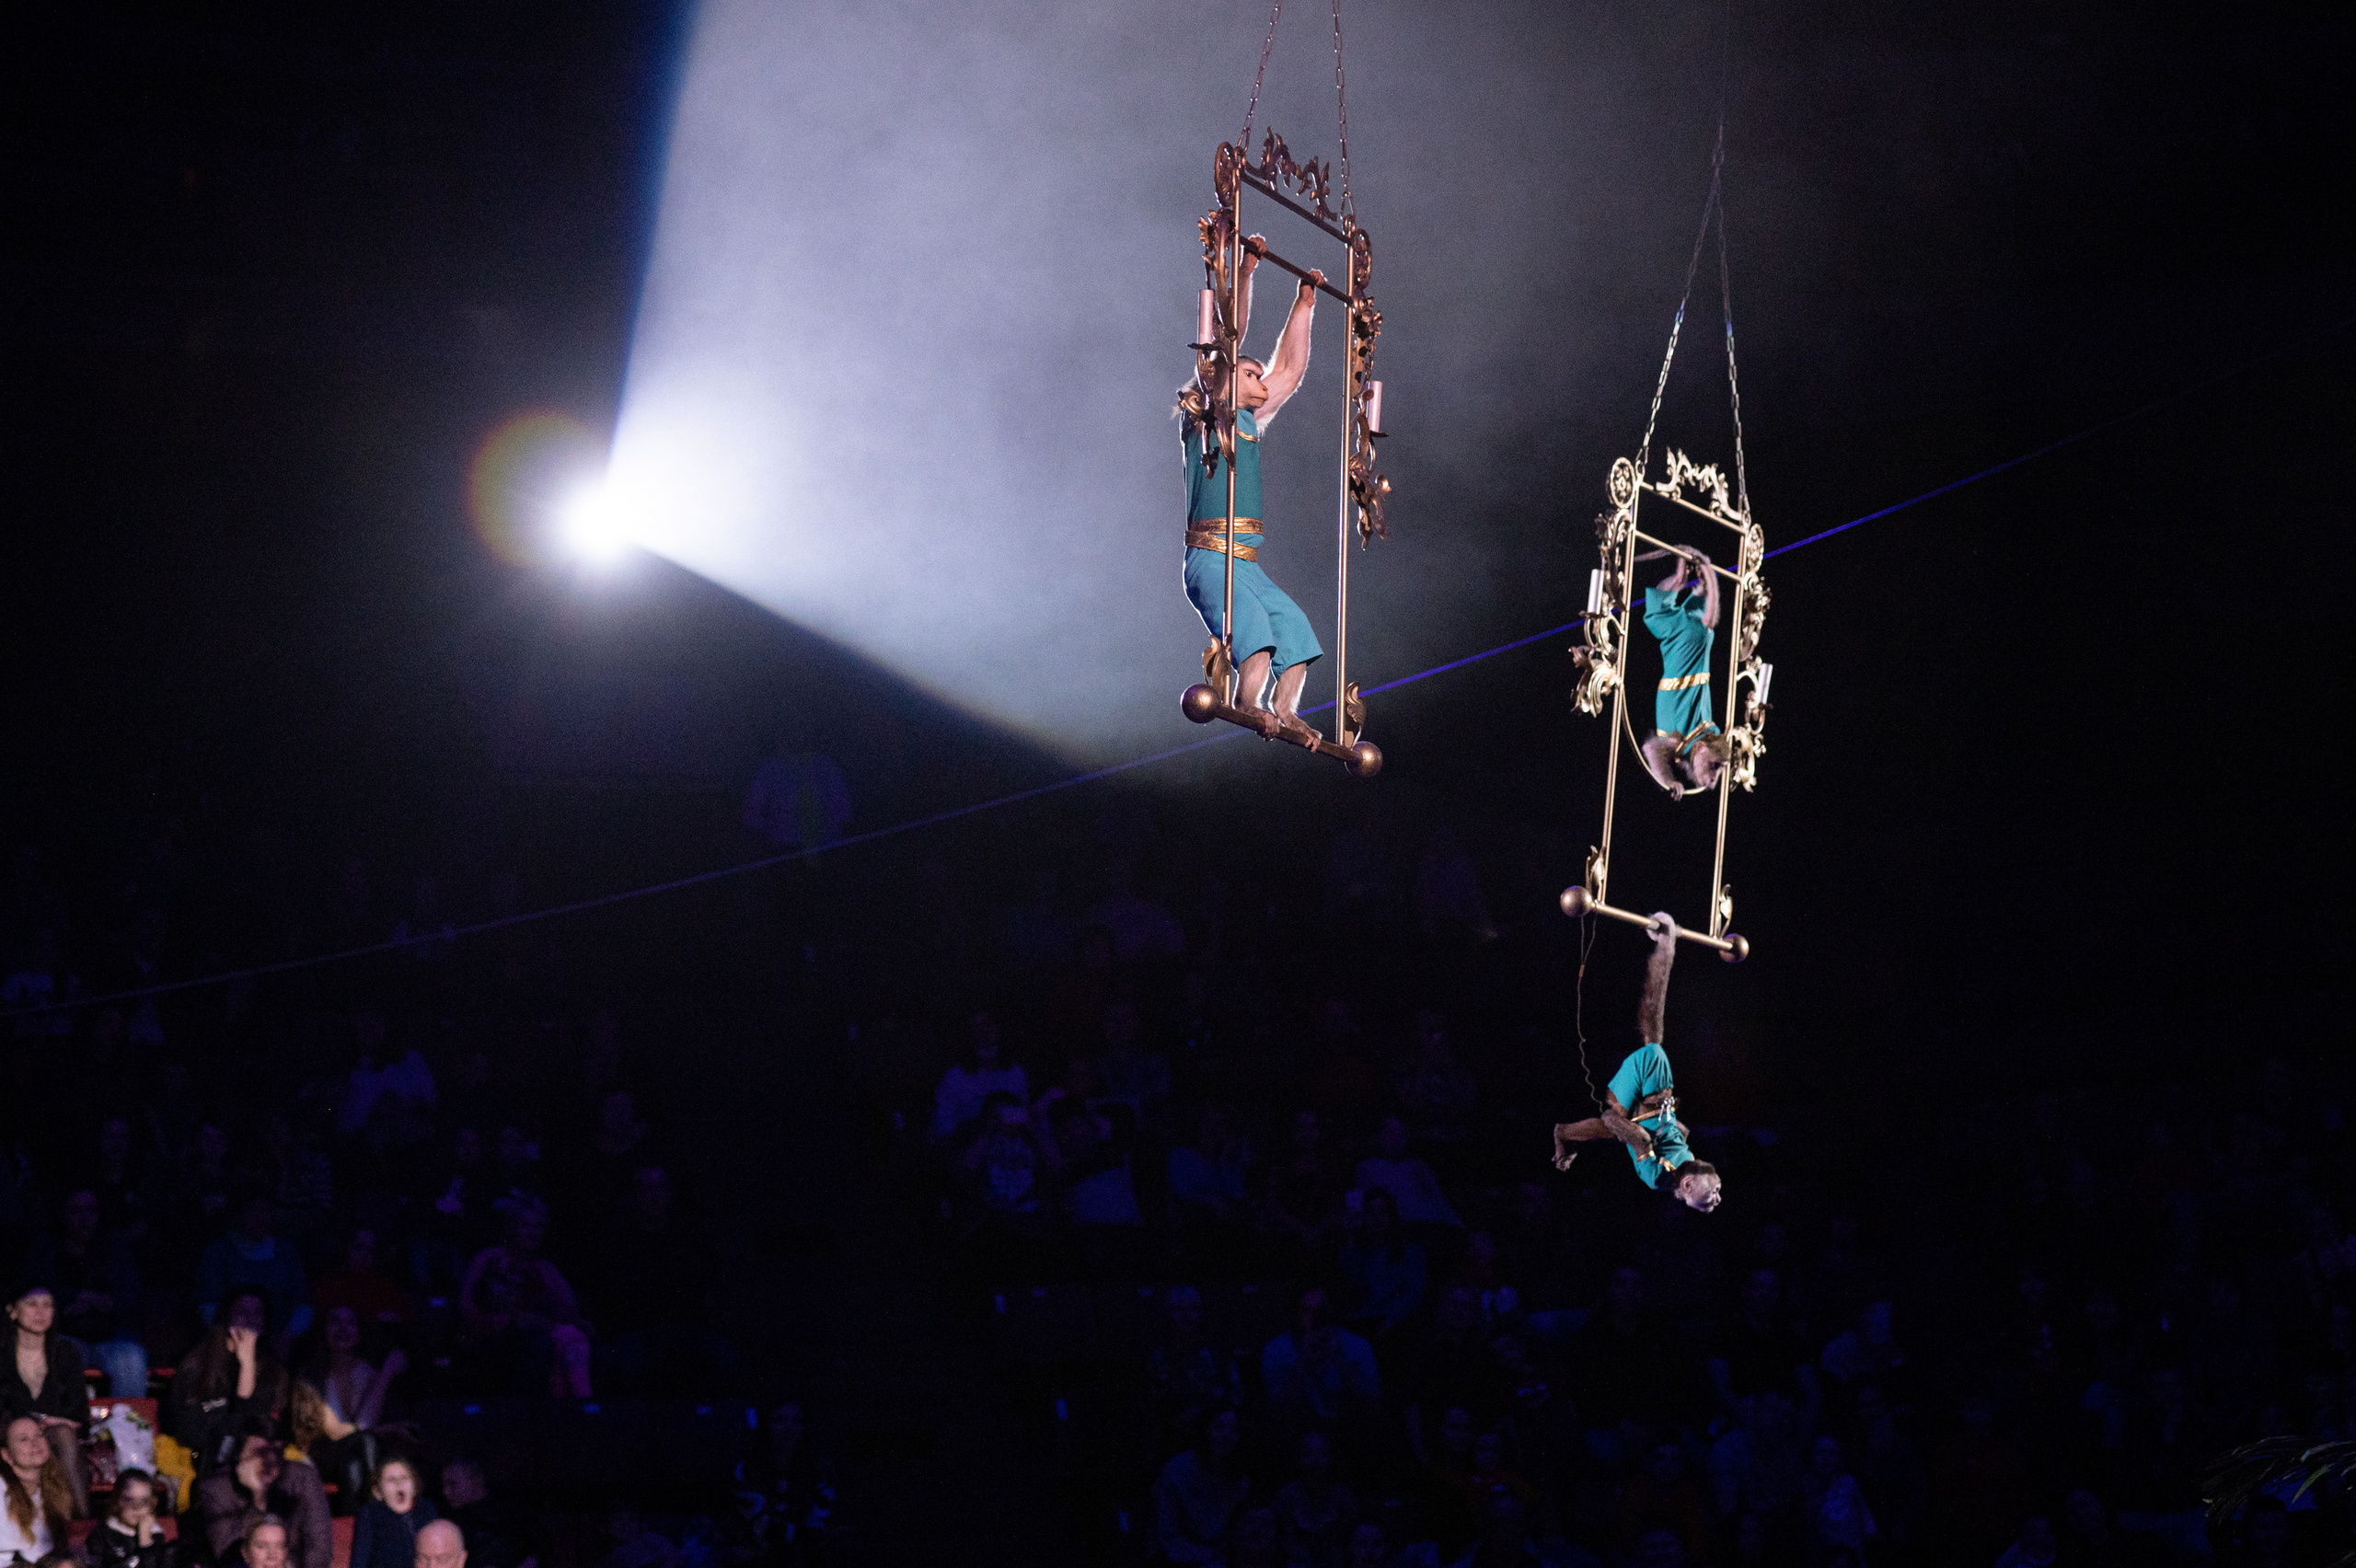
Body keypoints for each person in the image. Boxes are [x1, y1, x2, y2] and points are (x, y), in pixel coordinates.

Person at [1177, 236, 1326, 740]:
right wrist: (1246, 270)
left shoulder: (1248, 418)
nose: (1261, 376)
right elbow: (1226, 335)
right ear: (1222, 377)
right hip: (1210, 558)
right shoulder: (1209, 417)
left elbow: (1290, 370)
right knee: (1257, 638)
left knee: (1296, 633)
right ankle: (1250, 702)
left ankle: (1285, 709)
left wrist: (1304, 303)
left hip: (1246, 562)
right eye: (1248, 371)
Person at [1551, 915, 1722, 1213]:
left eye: (1710, 1199)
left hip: (1631, 1111)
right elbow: (1681, 1134)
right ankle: (1563, 1134)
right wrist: (1668, 1125)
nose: (1718, 1197)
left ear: (1688, 1187)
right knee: (1653, 1044)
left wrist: (1633, 1123)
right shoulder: (1688, 1165)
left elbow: (1624, 1129)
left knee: (1653, 1040)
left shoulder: (1658, 1178)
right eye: (1718, 1195)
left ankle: (1665, 949)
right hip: (1647, 1112)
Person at [23, 1188, 147, 1401]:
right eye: (76, 1211)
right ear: (64, 1214)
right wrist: (71, 1300)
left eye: (90, 1211)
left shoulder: (116, 1248)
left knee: (132, 1358)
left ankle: (126, 1431)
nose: (84, 1219)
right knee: (52, 1356)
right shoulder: (46, 1249)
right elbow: (30, 1294)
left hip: (111, 1335)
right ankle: (56, 1430)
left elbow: (133, 1295)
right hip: (63, 1333)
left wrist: (110, 1303)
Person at [1637, 548, 1729, 798]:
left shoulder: (1679, 744)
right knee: (1704, 628)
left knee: (1657, 614)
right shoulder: (1702, 735)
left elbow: (1650, 748)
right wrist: (1708, 572)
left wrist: (1669, 781)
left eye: (1714, 772)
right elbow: (1651, 749)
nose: (1712, 780)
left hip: (1676, 647)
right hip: (1687, 651)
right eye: (1715, 769)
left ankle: (1683, 577)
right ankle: (1704, 575)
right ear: (1700, 748)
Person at [167, 1289, 291, 1472]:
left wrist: (247, 1365)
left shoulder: (274, 1371)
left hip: (261, 1460)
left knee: (301, 1474)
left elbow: (256, 1425)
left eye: (257, 1313)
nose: (250, 1318)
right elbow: (189, 1433)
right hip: (209, 1459)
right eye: (242, 1312)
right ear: (226, 1317)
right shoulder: (197, 1365)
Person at [2, 1283, 91, 1516]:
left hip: (55, 1438)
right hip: (9, 1436)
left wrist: (47, 1424)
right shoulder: (2, 1354)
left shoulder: (65, 1352)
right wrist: (43, 1419)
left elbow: (78, 1413)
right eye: (31, 1304)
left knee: (63, 1435)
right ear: (12, 1311)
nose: (40, 1313)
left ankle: (80, 1524)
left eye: (47, 1305)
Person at [194, 1424, 330, 1568]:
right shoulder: (217, 1488)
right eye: (260, 1453)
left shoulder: (303, 1479)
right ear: (240, 1456)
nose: (270, 1460)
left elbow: (320, 1552)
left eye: (276, 1452)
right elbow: (228, 1555)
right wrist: (258, 1497)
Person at [192, 1191, 315, 1345]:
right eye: (253, 1210)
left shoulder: (287, 1251)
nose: (260, 1217)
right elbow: (208, 1306)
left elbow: (302, 1303)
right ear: (237, 1214)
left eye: (266, 1210)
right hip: (228, 1342)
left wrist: (287, 1336)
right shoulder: (218, 1252)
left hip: (280, 1343)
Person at [1152, 1407, 1251, 1565]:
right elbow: (1167, 1531)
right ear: (1205, 1430)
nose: (1227, 1435)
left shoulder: (1239, 1478)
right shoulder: (1177, 1469)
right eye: (1219, 1427)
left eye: (1234, 1430)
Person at [0, 1416, 73, 1567]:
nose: (35, 1443)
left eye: (39, 1435)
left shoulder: (54, 1486)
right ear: (6, 1455)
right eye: (24, 1439)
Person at [350, 1457, 438, 1568]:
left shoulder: (427, 1511)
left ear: (415, 1486)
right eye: (391, 1480)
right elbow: (360, 1559)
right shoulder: (370, 1515)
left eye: (404, 1478)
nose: (399, 1483)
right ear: (377, 1492)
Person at [89, 1468, 175, 1568]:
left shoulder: (155, 1536)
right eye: (129, 1500)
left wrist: (146, 1543)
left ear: (152, 1504)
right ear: (117, 1501)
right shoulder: (103, 1534)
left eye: (144, 1501)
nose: (137, 1507)